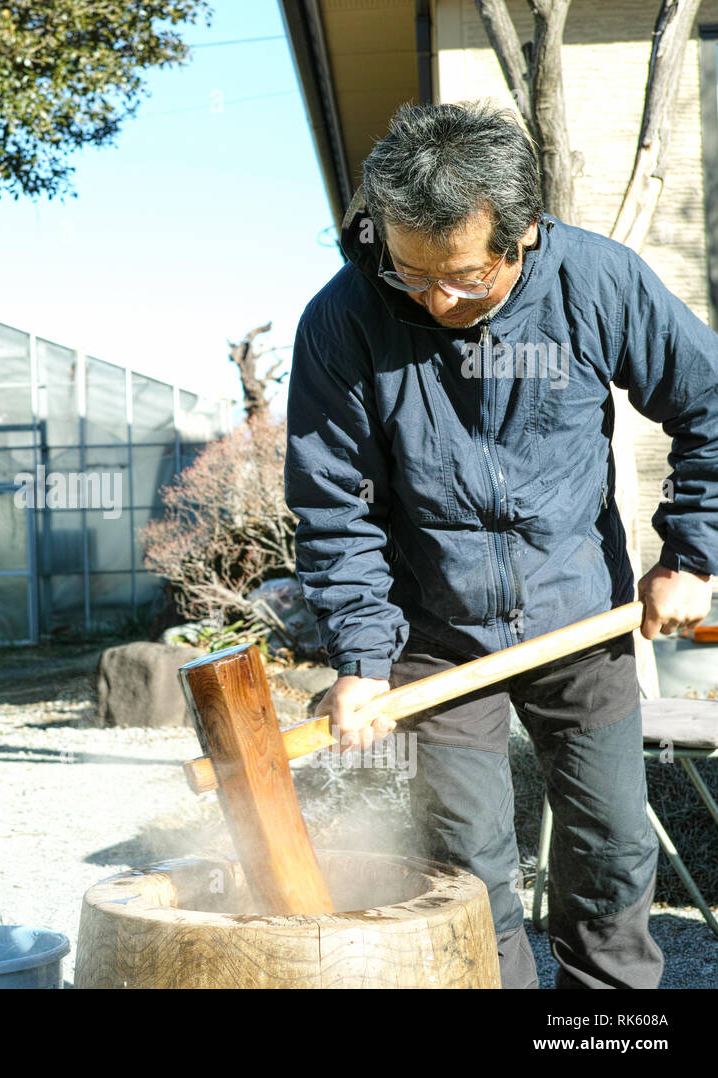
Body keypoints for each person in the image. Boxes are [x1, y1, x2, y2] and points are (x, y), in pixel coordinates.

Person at [285, 101, 717, 989]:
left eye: (465, 279)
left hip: (579, 620)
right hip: (433, 640)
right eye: (412, 275)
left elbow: (710, 408)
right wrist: (362, 656)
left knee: (610, 849)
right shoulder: (343, 320)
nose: (437, 301)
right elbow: (334, 506)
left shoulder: (597, 282)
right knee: (466, 867)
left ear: (523, 235)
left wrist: (692, 556)